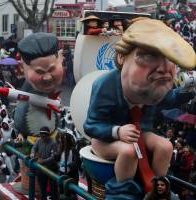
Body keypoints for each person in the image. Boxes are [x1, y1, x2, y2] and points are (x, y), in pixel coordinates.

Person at [83, 18, 196, 199]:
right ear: (122, 57)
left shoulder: (157, 87)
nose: (163, 69)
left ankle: (159, 187)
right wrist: (117, 131)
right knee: (129, 151)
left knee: (165, 146)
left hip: (140, 132)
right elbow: (91, 125)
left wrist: (189, 91)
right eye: (149, 56)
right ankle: (123, 191)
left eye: (170, 59)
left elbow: (171, 99)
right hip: (106, 138)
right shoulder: (105, 85)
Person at [13, 32, 65, 142]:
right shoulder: (26, 97)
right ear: (22, 67)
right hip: (33, 139)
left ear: (61, 59)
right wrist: (20, 132)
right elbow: (19, 118)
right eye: (39, 72)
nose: (47, 77)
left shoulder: (51, 93)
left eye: (52, 69)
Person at [30, 126, 59, 200]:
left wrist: (43, 161)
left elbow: (53, 157)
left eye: (44, 136)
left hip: (52, 169)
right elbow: (34, 148)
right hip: (41, 169)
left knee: (54, 189)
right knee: (42, 189)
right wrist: (32, 153)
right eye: (41, 136)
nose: (42, 138)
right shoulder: (39, 140)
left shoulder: (54, 143)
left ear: (48, 135)